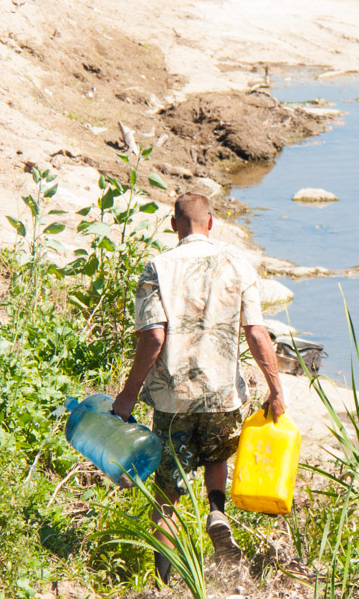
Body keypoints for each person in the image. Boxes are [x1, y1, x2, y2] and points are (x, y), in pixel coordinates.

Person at [111, 192, 286, 583]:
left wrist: (127, 393)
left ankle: (164, 583)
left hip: (173, 399)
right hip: (223, 394)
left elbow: (154, 338)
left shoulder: (156, 267)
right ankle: (216, 510)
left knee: (168, 493)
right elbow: (257, 333)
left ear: (173, 225)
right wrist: (276, 391)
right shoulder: (239, 264)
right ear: (212, 223)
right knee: (216, 456)